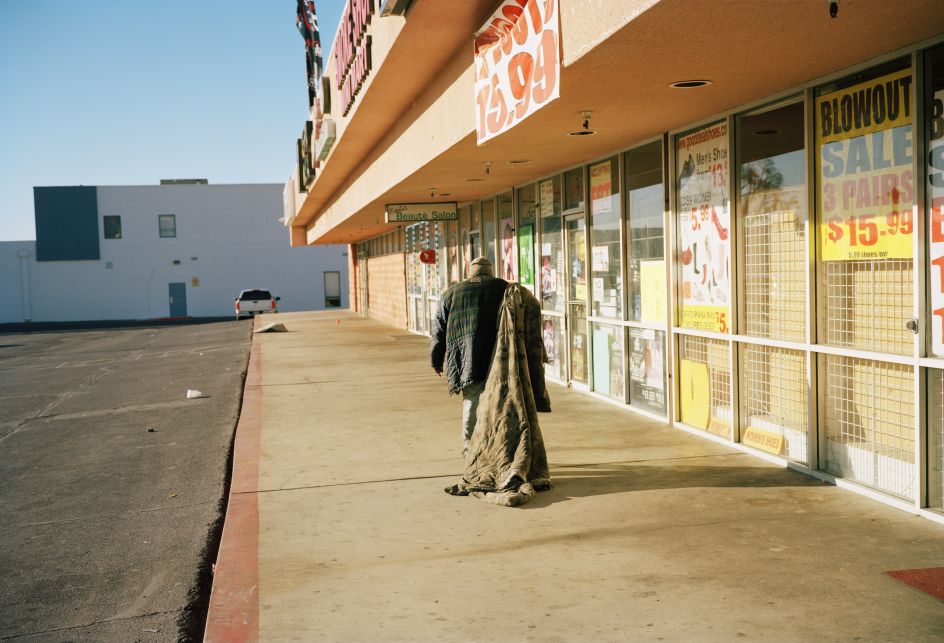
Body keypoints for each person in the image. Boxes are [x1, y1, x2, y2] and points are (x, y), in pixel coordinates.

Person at [430, 257, 508, 457]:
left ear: (471, 272)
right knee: (503, 402)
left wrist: (436, 359)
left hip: (466, 357)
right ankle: (502, 449)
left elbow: (438, 330)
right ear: (490, 271)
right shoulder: (505, 289)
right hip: (501, 356)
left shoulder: (451, 294)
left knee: (471, 400)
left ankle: (470, 449)